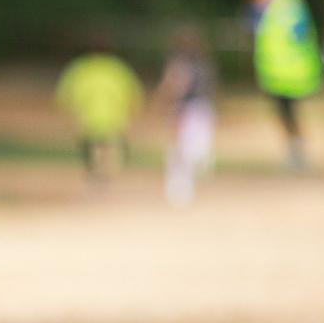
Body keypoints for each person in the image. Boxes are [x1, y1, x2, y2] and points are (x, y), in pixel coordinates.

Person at [247, 0, 321, 171]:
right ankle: (294, 154)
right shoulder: (269, 7)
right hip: (278, 74)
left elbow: (297, 33)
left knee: (290, 116)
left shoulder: (286, 5)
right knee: (286, 116)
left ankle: (297, 155)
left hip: (290, 74)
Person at [54, 46, 144, 181]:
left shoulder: (81, 68)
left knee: (92, 146)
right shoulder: (118, 68)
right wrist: (134, 108)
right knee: (110, 147)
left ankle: (95, 173)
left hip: (88, 116)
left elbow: (65, 92)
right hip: (115, 116)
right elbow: (133, 92)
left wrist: (68, 109)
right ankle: (109, 173)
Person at [156, 26, 217, 206]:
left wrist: (164, 102)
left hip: (185, 109)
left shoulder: (180, 64)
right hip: (203, 108)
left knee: (180, 151)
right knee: (196, 149)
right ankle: (196, 168)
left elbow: (174, 86)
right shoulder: (205, 64)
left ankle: (179, 189)